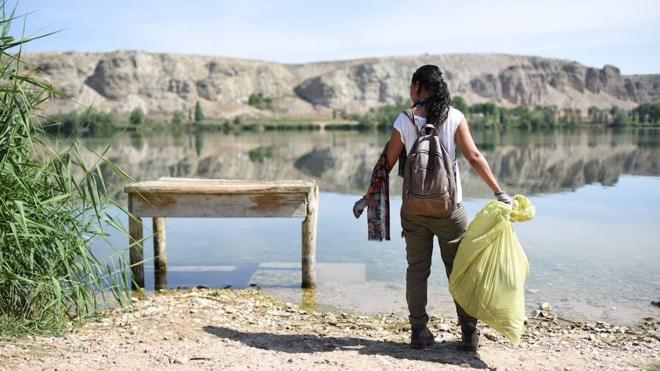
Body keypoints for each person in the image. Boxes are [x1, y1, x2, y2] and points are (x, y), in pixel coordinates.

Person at [383, 65, 514, 352]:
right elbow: (475, 156)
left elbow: (386, 163)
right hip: (449, 210)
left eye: (411, 85)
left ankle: (418, 332)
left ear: (417, 86)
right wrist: (499, 192)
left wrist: (369, 197)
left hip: (414, 210)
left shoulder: (404, 120)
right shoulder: (454, 117)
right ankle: (469, 333)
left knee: (417, 270)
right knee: (460, 270)